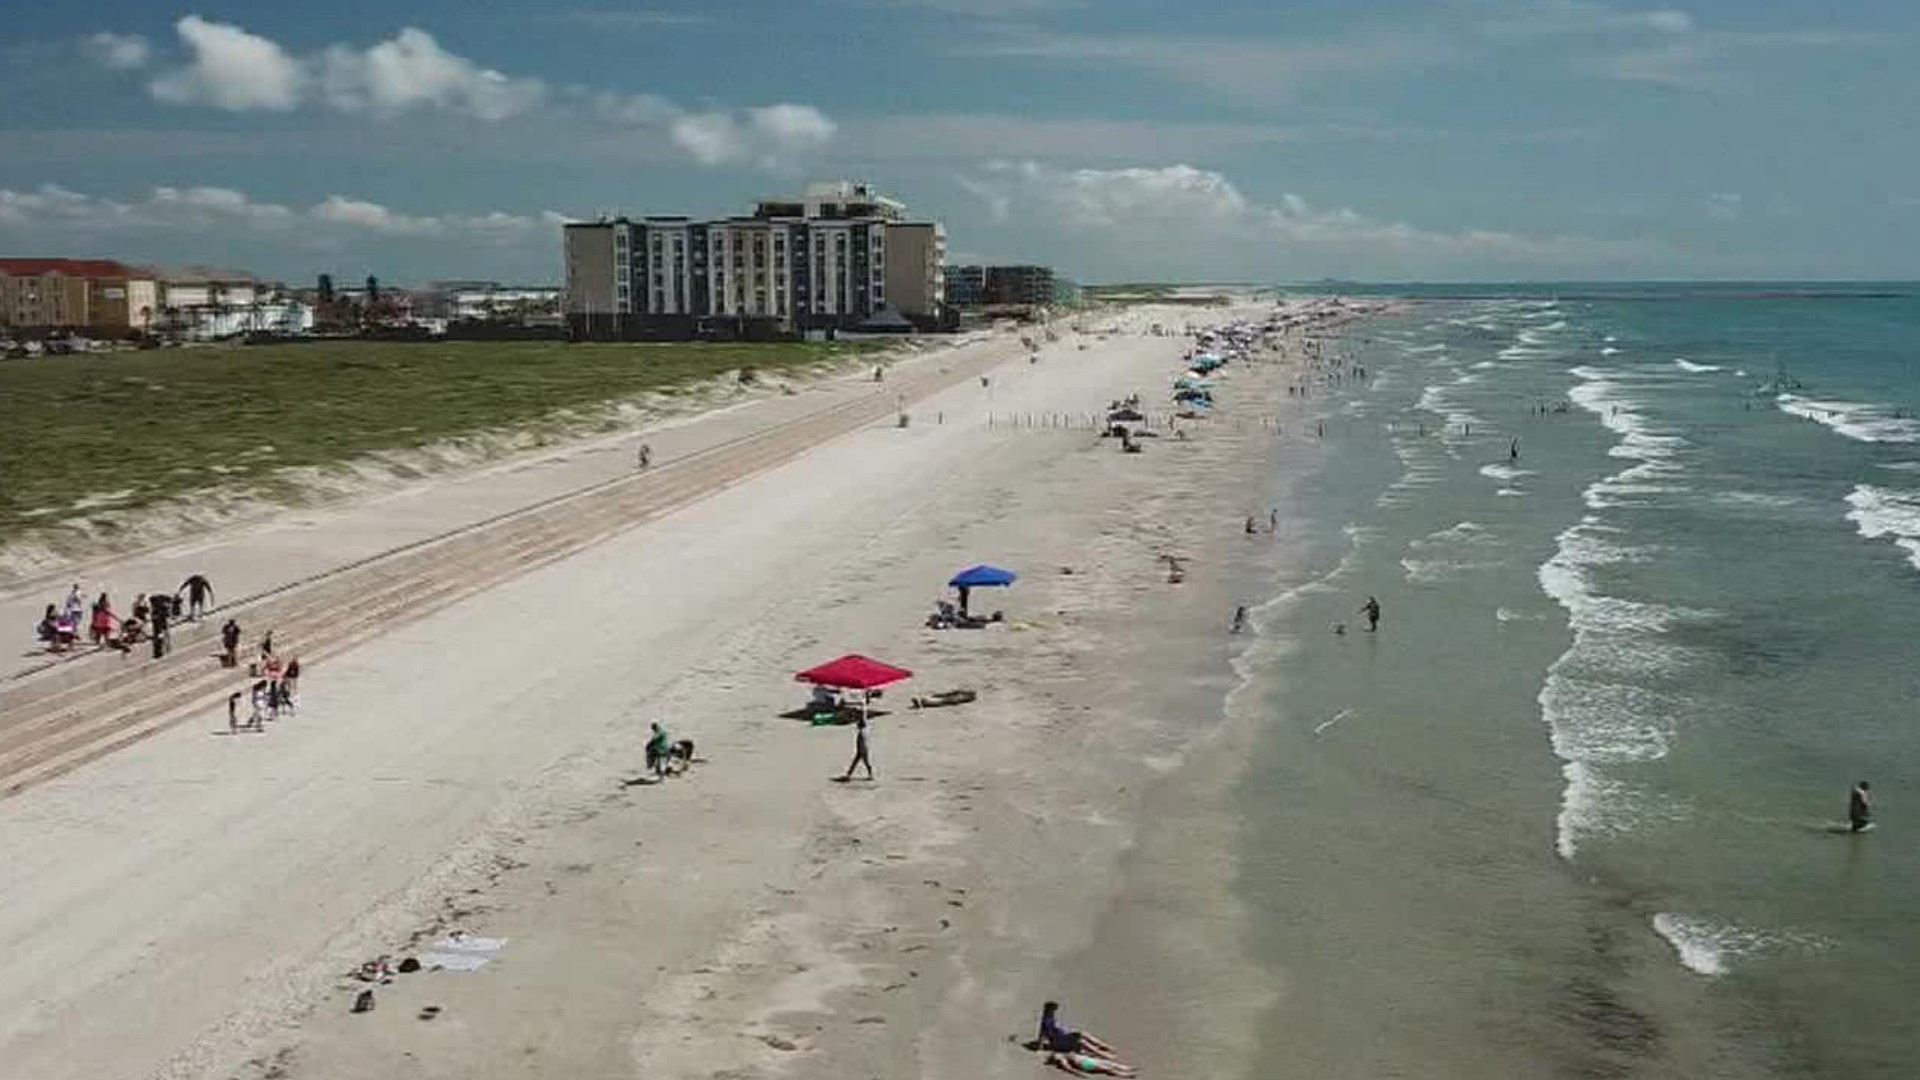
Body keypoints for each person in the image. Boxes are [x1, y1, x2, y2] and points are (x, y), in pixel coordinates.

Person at [1038, 1003, 1124, 1062]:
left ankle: (1104, 1046)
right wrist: (1040, 1048)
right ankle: (1104, 1055)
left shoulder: (1051, 1018)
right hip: (1059, 1042)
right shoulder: (1046, 1021)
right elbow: (1042, 1035)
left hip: (1063, 1036)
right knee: (1082, 1042)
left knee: (1083, 1034)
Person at [840, 713, 874, 782]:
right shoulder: (865, 731)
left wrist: (861, 750)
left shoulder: (862, 732)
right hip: (863, 749)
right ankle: (849, 774)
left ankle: (870, 775)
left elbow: (862, 742)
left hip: (862, 750)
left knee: (865, 763)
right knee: (858, 763)